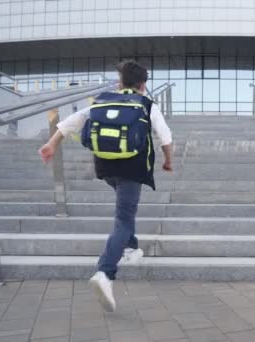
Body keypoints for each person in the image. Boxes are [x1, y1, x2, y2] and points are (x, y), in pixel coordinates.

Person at [38, 60, 173, 312]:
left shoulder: (101, 100)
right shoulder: (146, 104)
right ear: (143, 85)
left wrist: (52, 144)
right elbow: (165, 136)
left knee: (125, 211)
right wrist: (168, 160)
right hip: (132, 169)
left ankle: (131, 247)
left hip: (106, 168)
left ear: (120, 83)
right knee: (123, 219)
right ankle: (105, 273)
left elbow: (71, 122)